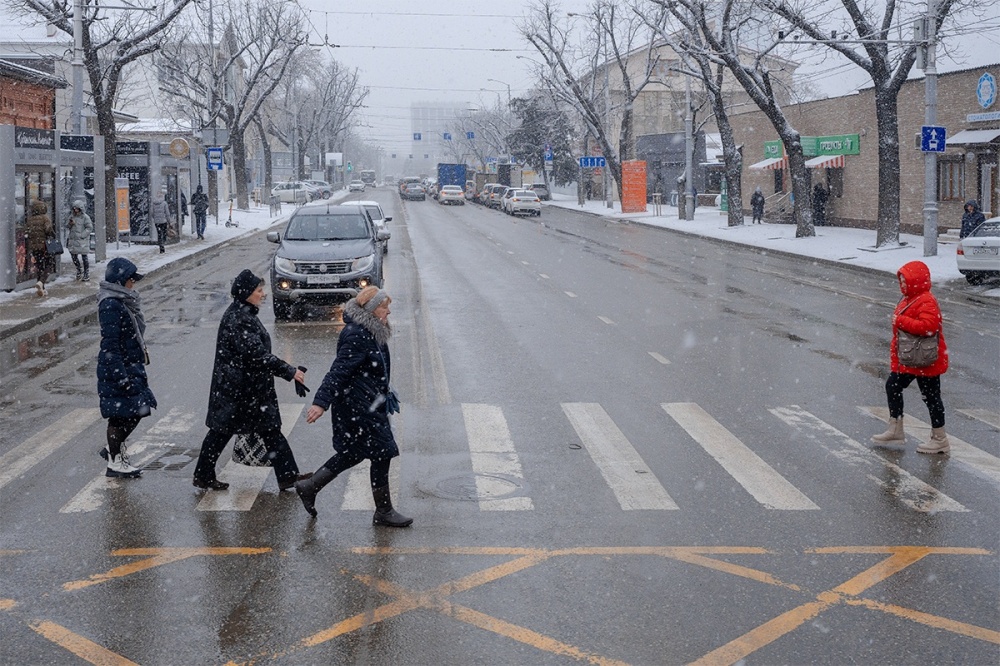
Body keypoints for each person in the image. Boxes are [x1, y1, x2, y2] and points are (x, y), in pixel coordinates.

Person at [294, 286, 412, 527]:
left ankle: (310, 486)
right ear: (371, 310)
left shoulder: (371, 331)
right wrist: (320, 403)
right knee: (382, 452)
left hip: (368, 403)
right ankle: (384, 511)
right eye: (383, 307)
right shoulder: (358, 334)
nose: (388, 312)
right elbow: (338, 372)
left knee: (353, 453)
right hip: (358, 407)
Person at [192, 269, 311, 491]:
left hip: (246, 387)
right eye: (259, 290)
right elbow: (256, 355)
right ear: (246, 293)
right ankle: (203, 475)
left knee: (268, 430)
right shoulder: (240, 319)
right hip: (238, 389)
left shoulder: (244, 314)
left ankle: (288, 476)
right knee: (222, 431)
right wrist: (289, 371)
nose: (263, 294)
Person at [871, 260, 950, 455]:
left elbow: (929, 327)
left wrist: (901, 321)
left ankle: (940, 439)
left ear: (916, 281)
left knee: (931, 397)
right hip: (910, 358)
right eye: (901, 280)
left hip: (924, 359)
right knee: (893, 386)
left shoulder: (926, 300)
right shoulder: (909, 298)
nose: (903, 284)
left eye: (906, 280)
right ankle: (895, 429)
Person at [97, 258, 156, 477]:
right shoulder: (111, 304)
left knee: (132, 411)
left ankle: (113, 449)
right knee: (125, 414)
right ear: (121, 281)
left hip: (129, 365)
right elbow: (110, 345)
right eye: (131, 280)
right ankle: (114, 460)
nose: (134, 285)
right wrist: (121, 377)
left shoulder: (120, 301)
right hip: (119, 368)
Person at [26, 200, 56, 297]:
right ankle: (41, 282)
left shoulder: (30, 220)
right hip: (44, 246)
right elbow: (48, 230)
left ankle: (41, 289)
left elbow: (27, 233)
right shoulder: (45, 218)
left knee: (39, 266)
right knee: (49, 265)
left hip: (34, 247)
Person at [65, 199, 94, 282]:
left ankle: (86, 273)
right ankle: (79, 269)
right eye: (74, 209)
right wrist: (70, 224)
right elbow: (67, 226)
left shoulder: (85, 217)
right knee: (73, 256)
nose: (75, 210)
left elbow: (89, 228)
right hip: (73, 240)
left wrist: (82, 235)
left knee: (84, 256)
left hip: (82, 240)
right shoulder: (72, 216)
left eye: (77, 209)